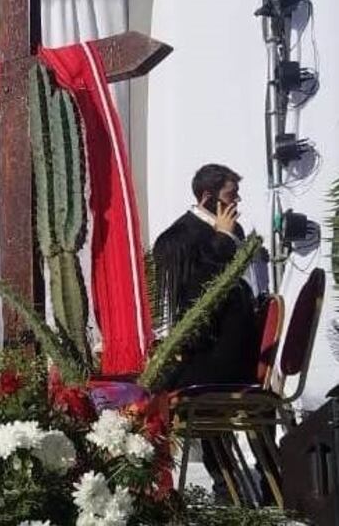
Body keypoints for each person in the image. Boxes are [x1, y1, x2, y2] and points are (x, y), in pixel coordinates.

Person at [153, 164, 266, 502]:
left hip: (229, 352)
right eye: (231, 195)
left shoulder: (233, 231)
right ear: (207, 197)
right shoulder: (179, 238)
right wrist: (218, 240)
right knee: (147, 386)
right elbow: (192, 300)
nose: (238, 201)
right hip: (203, 348)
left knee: (154, 387)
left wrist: (222, 238)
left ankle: (231, 487)